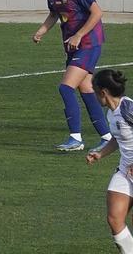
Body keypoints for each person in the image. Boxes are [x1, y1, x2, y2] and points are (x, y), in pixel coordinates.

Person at [32, 0, 112, 153]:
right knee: (86, 90)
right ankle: (107, 138)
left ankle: (75, 138)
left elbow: (97, 12)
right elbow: (54, 14)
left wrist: (79, 35)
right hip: (73, 46)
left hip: (88, 43)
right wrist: (41, 31)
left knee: (66, 88)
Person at [85, 69, 133, 254]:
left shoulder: (128, 108)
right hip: (125, 171)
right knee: (114, 219)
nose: (94, 96)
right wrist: (100, 153)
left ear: (103, 92)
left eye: (95, 92)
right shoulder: (112, 113)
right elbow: (117, 138)